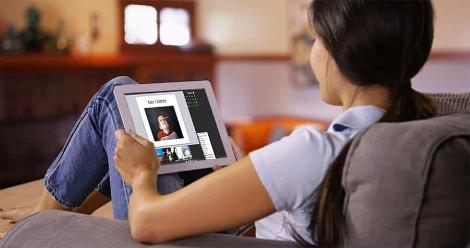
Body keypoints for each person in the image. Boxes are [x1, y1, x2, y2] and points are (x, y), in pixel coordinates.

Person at [0, 0, 436, 246]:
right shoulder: (407, 129)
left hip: (195, 233)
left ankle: (44, 221)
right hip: (248, 221)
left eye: (317, 40)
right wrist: (247, 171)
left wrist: (142, 175)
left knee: (117, 94)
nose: (313, 53)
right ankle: (52, 212)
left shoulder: (313, 151)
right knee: (194, 148)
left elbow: (147, 221)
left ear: (342, 52)